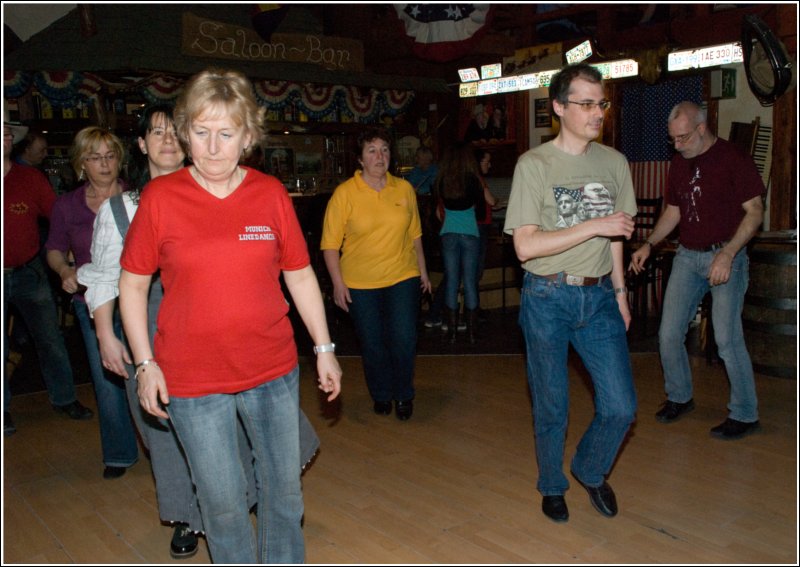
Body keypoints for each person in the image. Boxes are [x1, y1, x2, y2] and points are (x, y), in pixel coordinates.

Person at [118, 68, 342, 564]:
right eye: (201, 132)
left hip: (272, 371)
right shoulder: (160, 198)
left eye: (226, 133)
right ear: (185, 133)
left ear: (247, 136)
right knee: (221, 506)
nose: (213, 147)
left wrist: (325, 349)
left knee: (284, 496)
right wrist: (145, 364)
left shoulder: (269, 194)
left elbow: (301, 276)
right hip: (193, 382)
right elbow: (132, 286)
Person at [503, 62, 637, 523]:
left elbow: (616, 236)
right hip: (547, 297)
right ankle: (552, 485)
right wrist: (593, 224)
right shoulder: (534, 165)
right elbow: (525, 245)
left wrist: (620, 292)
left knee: (621, 407)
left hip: (599, 297)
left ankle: (589, 468)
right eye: (585, 103)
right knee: (552, 404)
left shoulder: (614, 163)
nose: (596, 112)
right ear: (559, 107)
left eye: (600, 103)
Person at [76, 105, 203, 557]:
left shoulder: (210, 196)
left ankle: (230, 500)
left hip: (205, 326)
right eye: (157, 132)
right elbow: (105, 278)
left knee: (220, 420)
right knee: (163, 427)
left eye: (175, 131)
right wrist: (106, 335)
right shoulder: (121, 208)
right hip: (146, 328)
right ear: (143, 145)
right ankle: (187, 515)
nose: (167, 139)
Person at [629, 101, 765, 440]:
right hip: (689, 258)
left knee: (727, 340)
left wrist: (730, 253)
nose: (676, 145)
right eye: (672, 138)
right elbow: (673, 211)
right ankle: (679, 396)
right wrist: (650, 243)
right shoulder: (678, 164)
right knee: (669, 334)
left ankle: (745, 413)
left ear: (702, 129)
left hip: (726, 256)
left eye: (683, 137)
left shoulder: (734, 159)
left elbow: (755, 212)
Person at [46, 126, 138, 478]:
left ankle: (166, 447)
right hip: (94, 301)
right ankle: (119, 453)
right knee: (108, 379)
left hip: (138, 297)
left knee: (150, 368)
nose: (104, 163)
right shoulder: (67, 205)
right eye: (95, 157)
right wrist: (63, 270)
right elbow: (54, 247)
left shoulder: (137, 197)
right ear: (81, 163)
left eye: (110, 156)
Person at [321, 126, 431, 420]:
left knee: (404, 338)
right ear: (360, 158)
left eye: (384, 149)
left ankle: (404, 394)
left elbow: (415, 235)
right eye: (372, 150)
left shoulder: (404, 189)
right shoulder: (345, 194)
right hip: (360, 281)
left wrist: (423, 272)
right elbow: (330, 245)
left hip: (402, 276)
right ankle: (381, 393)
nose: (379, 156)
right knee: (372, 343)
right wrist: (337, 283)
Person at [3, 112, 93, 437]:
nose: (8, 137)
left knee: (51, 340)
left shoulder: (30, 179)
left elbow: (59, 217)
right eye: (2, 131)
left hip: (29, 271)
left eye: (9, 131)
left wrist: (70, 251)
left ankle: (65, 397)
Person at [434, 142, 486, 345]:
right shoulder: (473, 180)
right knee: (471, 282)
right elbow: (481, 212)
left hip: (448, 233)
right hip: (470, 233)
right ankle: (472, 333)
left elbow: (437, 207)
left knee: (452, 282)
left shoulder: (442, 180)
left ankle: (452, 332)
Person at [474, 148, 498, 320]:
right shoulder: (478, 179)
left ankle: (474, 307)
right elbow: (490, 200)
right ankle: (474, 308)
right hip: (479, 227)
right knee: (476, 270)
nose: (489, 165)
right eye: (486, 161)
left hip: (476, 227)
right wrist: (498, 201)